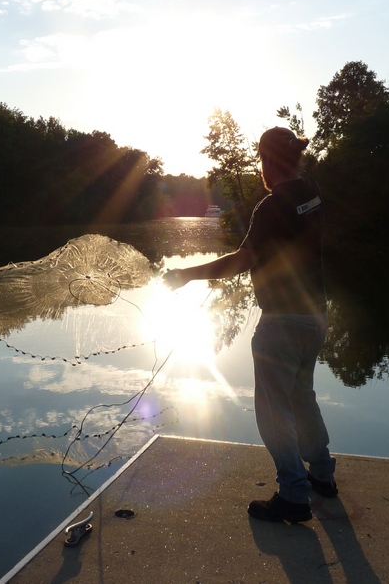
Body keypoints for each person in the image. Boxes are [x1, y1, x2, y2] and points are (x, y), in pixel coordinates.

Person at [163, 126, 337, 523]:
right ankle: (322, 475)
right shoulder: (310, 191)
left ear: (269, 161)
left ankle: (294, 494)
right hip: (316, 317)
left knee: (275, 410)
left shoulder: (272, 207)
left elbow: (242, 261)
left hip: (282, 323)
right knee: (301, 397)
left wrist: (186, 274)